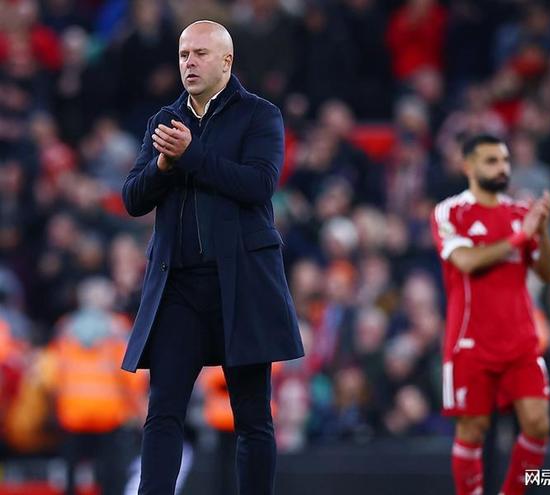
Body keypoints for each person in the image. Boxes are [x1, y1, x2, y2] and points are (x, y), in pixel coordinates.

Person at [120, 20, 304, 495]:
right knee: (163, 411)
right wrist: (163, 165)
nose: (189, 63)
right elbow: (133, 199)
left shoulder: (260, 115)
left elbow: (259, 184)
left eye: (200, 54)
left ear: (227, 60)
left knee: (252, 416)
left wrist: (191, 155)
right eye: (184, 54)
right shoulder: (163, 120)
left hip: (241, 282)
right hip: (178, 285)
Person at [429, 134, 550, 495]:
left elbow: (548, 272)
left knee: (538, 423)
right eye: (491, 161)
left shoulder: (519, 214)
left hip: (520, 339)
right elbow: (466, 260)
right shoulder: (450, 212)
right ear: (468, 167)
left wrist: (542, 232)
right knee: (473, 429)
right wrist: (519, 238)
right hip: (470, 341)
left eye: (504, 160)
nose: (502, 168)